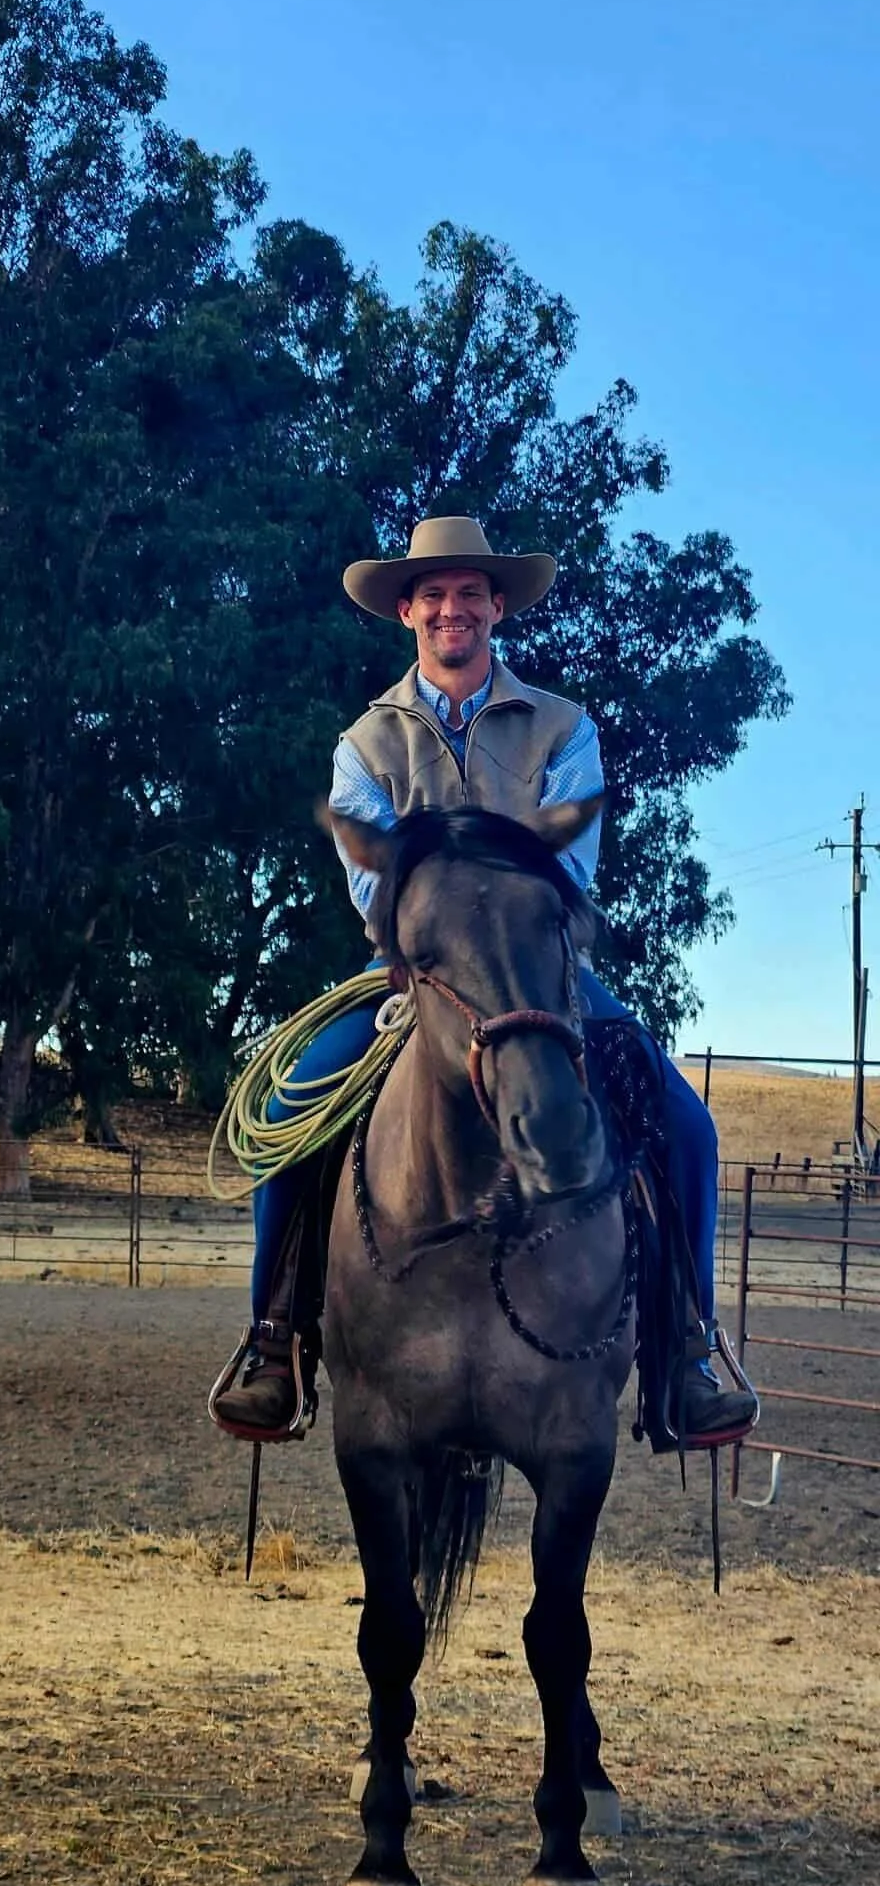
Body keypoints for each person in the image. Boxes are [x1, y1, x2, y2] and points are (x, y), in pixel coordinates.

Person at [210, 515, 757, 1449]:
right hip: (415, 974)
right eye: (434, 594)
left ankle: (688, 1346)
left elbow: (571, 869)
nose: (451, 608)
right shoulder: (365, 745)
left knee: (687, 1125)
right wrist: (443, 920)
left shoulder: (562, 727)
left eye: (470, 592)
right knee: (295, 1104)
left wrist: (480, 899)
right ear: (407, 611)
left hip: (547, 975)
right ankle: (276, 1337)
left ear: (496, 606)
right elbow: (370, 880)